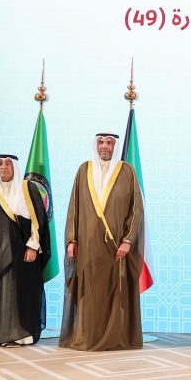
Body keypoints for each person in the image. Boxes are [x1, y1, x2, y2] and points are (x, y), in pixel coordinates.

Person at [59, 133, 144, 351]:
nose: (104, 146)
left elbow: (136, 209)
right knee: (89, 292)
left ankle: (114, 338)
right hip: (87, 246)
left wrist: (128, 241)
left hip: (116, 248)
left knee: (114, 292)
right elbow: (73, 207)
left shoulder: (127, 171)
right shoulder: (84, 170)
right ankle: (88, 337)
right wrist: (71, 239)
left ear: (115, 146)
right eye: (101, 142)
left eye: (109, 142)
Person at [0, 154, 51, 347]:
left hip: (22, 253)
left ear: (15, 166)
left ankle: (21, 336)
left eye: (8, 163)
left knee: (21, 292)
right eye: (0, 163)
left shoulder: (28, 188)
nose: (4, 167)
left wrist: (33, 247)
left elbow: (39, 220)